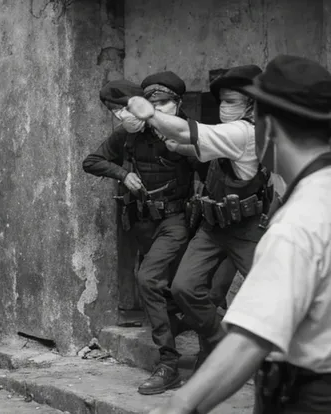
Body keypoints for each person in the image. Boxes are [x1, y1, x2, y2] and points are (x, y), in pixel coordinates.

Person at [150, 54, 331, 414]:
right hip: (215, 227)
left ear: (268, 127)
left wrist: (181, 405)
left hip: (307, 395)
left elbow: (251, 340)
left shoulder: (297, 225)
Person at [128, 64, 272, 371]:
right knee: (185, 289)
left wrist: (150, 114)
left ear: (251, 105)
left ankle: (272, 362)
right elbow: (199, 145)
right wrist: (180, 146)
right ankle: (220, 343)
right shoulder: (229, 134)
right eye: (222, 99)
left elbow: (186, 131)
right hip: (212, 227)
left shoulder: (245, 132)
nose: (224, 106)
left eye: (232, 100)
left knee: (269, 296)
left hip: (245, 230)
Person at [83, 74, 198, 395]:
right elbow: (91, 161)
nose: (121, 116)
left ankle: (169, 362)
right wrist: (122, 173)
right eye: (114, 112)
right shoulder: (127, 136)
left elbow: (211, 170)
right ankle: (198, 345)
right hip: (143, 222)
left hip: (177, 220)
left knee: (152, 280)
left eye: (124, 108)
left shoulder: (181, 129)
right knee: (168, 290)